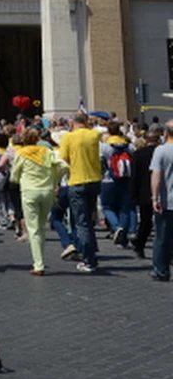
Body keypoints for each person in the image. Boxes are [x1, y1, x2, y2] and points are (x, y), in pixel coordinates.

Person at [9, 129, 67, 275]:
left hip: (29, 192)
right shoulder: (47, 152)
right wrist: (55, 180)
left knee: (33, 229)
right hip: (47, 191)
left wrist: (20, 178)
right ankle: (39, 260)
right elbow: (65, 166)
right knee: (41, 227)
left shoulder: (21, 153)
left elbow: (14, 176)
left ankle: (39, 264)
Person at [59, 112, 104, 272]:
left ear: (72, 123)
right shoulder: (94, 135)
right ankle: (92, 252)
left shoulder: (68, 138)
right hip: (94, 180)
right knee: (89, 220)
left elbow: (63, 160)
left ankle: (89, 259)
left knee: (81, 222)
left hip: (77, 181)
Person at [130, 126, 163, 259]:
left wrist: (133, 193)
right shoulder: (161, 152)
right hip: (162, 191)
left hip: (144, 192)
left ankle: (140, 245)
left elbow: (134, 176)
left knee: (145, 222)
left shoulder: (138, 154)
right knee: (164, 223)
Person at [150, 122, 173, 281]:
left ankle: (161, 270)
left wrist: (155, 197)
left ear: (166, 133)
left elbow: (156, 176)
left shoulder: (161, 150)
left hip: (168, 200)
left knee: (162, 237)